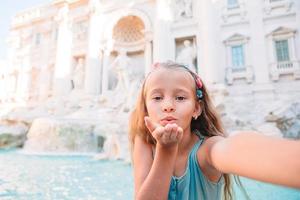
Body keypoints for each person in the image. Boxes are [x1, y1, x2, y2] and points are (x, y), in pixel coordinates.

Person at [129, 61, 300, 200]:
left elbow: (235, 148)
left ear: (196, 109)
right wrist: (165, 151)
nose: (167, 106)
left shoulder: (207, 150)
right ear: (146, 108)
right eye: (157, 97)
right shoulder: (144, 142)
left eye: (180, 97)